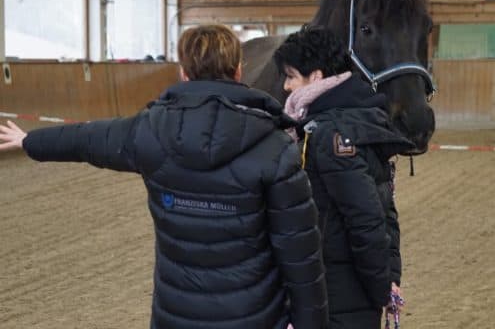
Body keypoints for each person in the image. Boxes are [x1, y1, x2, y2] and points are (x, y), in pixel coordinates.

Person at [0, 25, 329, 329]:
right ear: (239, 70)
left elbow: (88, 140)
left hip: (175, 315)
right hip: (254, 317)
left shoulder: (149, 131)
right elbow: (300, 253)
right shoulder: (276, 147)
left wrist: (31, 141)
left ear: (183, 73)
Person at [273, 25, 414, 329]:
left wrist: (381, 289)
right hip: (348, 288)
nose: (285, 86)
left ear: (317, 77)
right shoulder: (356, 119)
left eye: (290, 75)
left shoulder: (329, 133)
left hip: (338, 292)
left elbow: (366, 219)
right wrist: (390, 277)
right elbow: (385, 208)